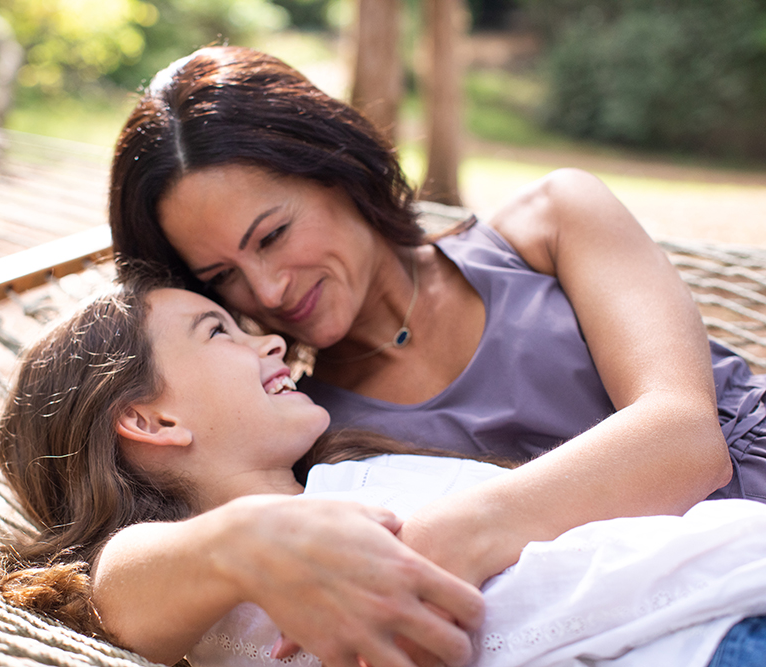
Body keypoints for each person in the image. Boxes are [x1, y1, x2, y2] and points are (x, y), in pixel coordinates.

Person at [104, 44, 766, 659]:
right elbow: (122, 593)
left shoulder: (553, 223)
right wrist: (237, 542)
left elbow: (685, 438)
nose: (268, 288)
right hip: (671, 625)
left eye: (273, 234)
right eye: (222, 277)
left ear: (336, 169)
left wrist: (468, 527)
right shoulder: (302, 430)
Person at [0, 279, 766, 667]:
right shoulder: (208, 586)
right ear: (152, 419)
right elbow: (117, 583)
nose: (271, 345)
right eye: (217, 330)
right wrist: (244, 539)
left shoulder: (358, 469)